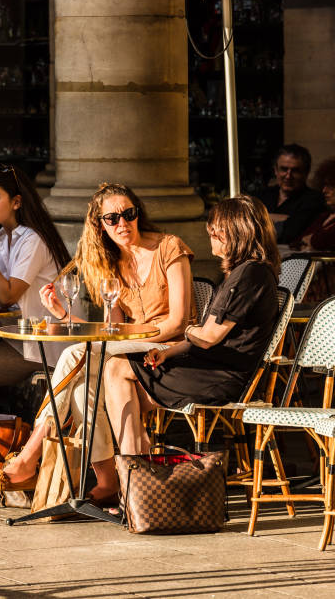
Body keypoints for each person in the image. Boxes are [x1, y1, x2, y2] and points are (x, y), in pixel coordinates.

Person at [0, 183, 196, 504]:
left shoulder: (169, 247)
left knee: (74, 353)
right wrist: (63, 315)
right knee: (82, 390)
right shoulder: (112, 264)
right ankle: (109, 481)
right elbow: (111, 331)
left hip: (169, 353)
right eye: (112, 218)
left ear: (139, 214)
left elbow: (178, 322)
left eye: (129, 214)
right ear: (99, 225)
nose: (122, 223)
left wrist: (133, 335)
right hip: (128, 352)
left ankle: (28, 455)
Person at [103, 195, 280, 455]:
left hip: (223, 376)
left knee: (116, 370)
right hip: (213, 367)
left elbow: (208, 337)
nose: (210, 235)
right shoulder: (247, 272)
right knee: (115, 394)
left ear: (234, 232)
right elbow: (205, 336)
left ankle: (133, 465)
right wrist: (168, 352)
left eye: (215, 230)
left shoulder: (249, 274)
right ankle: (137, 466)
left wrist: (183, 328)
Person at [0, 163, 73, 413]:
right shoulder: (0, 238)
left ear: (16, 202)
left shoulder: (33, 239)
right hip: (10, 334)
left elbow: (6, 294)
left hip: (41, 341)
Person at [251, 144, 325, 244]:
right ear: (276, 170)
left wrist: (259, 217)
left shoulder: (314, 200)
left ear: (306, 173)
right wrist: (284, 219)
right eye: (284, 169)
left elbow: (290, 233)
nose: (288, 176)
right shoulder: (260, 196)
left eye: (295, 171)